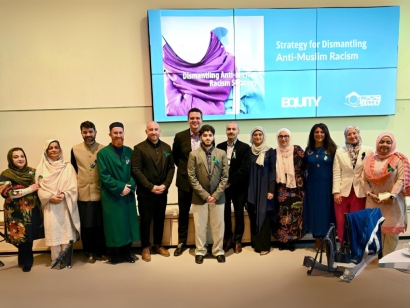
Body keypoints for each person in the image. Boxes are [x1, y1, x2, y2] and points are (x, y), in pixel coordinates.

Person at [131, 121, 175, 262]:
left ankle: (157, 244)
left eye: (156, 129)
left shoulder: (167, 148)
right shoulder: (139, 149)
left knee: (159, 220)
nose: (153, 132)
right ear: (146, 132)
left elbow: (171, 168)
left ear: (159, 131)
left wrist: (166, 185)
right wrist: (150, 186)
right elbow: (136, 170)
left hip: (162, 192)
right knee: (145, 220)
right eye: (151, 130)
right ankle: (145, 247)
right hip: (146, 193)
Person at [97, 122, 140, 264]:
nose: (118, 135)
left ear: (124, 134)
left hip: (127, 196)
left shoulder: (130, 152)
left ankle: (127, 254)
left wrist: (130, 186)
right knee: (114, 226)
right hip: (112, 196)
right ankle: (114, 255)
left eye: (120, 132)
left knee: (127, 224)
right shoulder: (102, 153)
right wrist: (121, 187)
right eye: (115, 133)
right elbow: (104, 176)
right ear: (110, 134)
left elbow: (135, 172)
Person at [362, 133, 409, 256]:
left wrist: (391, 196)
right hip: (373, 201)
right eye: (382, 142)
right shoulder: (369, 160)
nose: (385, 145)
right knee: (375, 232)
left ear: (393, 144)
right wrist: (369, 193)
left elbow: (401, 179)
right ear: (377, 143)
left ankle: (387, 260)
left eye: (388, 142)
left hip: (392, 203)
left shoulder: (398, 159)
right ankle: (376, 260)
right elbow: (363, 180)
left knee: (391, 235)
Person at [187, 124, 228, 264]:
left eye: (210, 135)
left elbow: (225, 176)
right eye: (205, 135)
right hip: (199, 197)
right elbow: (191, 176)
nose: (208, 137)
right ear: (200, 137)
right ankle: (200, 251)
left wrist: (216, 194)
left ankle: (218, 251)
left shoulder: (221, 153)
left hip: (218, 197)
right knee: (200, 226)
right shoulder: (193, 155)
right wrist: (205, 195)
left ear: (214, 136)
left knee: (218, 225)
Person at [35, 140, 80, 265]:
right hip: (50, 205)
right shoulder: (41, 168)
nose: (54, 150)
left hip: (65, 203)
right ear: (46, 151)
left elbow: (74, 186)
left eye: (56, 147)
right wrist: (50, 197)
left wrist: (64, 194)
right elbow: (39, 187)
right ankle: (55, 260)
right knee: (53, 230)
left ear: (60, 149)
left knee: (66, 231)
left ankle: (65, 260)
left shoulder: (68, 166)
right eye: (50, 148)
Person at [0, 148, 44, 272]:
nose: (20, 159)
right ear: (10, 159)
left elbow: (43, 181)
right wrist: (29, 189)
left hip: (31, 209)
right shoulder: (6, 174)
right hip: (15, 212)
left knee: (29, 236)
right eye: (16, 157)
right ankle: (26, 262)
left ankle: (25, 261)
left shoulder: (32, 172)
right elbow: (7, 192)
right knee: (21, 236)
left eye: (22, 156)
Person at [71, 121, 107, 263]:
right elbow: (73, 170)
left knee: (100, 224)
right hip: (83, 193)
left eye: (90, 132)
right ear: (81, 133)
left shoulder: (104, 149)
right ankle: (89, 252)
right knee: (87, 225)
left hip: (100, 192)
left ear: (95, 132)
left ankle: (101, 251)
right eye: (85, 132)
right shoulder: (75, 149)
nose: (88, 135)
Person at [332, 125, 373, 244]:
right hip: (343, 191)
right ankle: (343, 245)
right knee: (341, 220)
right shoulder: (340, 151)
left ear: (359, 134)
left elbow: (370, 172)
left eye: (354, 133)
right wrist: (336, 192)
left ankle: (357, 245)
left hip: (360, 191)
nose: (352, 136)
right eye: (349, 134)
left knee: (358, 220)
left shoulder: (369, 150)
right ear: (345, 137)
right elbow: (336, 172)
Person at [172, 107, 202, 256]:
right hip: (184, 182)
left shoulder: (207, 135)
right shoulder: (180, 136)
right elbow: (175, 157)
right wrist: (186, 171)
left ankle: (201, 242)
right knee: (183, 213)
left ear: (201, 120)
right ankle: (181, 242)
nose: (195, 121)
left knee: (201, 213)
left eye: (197, 118)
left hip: (202, 184)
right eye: (192, 118)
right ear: (188, 120)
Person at [216, 122, 250, 253]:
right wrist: (223, 182)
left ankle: (237, 240)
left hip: (239, 187)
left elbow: (244, 169)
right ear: (226, 131)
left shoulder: (245, 148)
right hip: (223, 188)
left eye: (233, 129)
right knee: (225, 215)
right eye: (229, 129)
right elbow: (216, 165)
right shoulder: (219, 147)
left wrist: (230, 181)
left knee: (239, 214)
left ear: (238, 131)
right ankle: (228, 239)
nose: (231, 131)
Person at [303, 123, 337, 249]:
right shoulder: (308, 150)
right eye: (316, 132)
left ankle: (327, 238)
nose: (319, 134)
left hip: (328, 186)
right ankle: (317, 238)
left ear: (326, 134)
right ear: (313, 134)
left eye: (322, 132)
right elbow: (305, 168)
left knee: (327, 211)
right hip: (312, 186)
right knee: (315, 211)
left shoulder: (333, 149)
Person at [272, 128, 305, 252]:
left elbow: (306, 167)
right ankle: (282, 240)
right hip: (280, 188)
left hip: (297, 189)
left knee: (296, 214)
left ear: (290, 137)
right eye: (280, 136)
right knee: (281, 214)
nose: (283, 138)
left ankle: (293, 241)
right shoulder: (274, 153)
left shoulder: (298, 150)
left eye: (286, 136)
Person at [247, 126, 276, 255]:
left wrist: (271, 190)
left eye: (260, 134)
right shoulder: (249, 151)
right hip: (251, 187)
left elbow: (273, 172)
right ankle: (256, 243)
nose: (258, 137)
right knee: (253, 214)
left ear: (263, 136)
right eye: (255, 135)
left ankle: (264, 246)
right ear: (252, 137)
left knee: (264, 215)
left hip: (265, 188)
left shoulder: (270, 151)